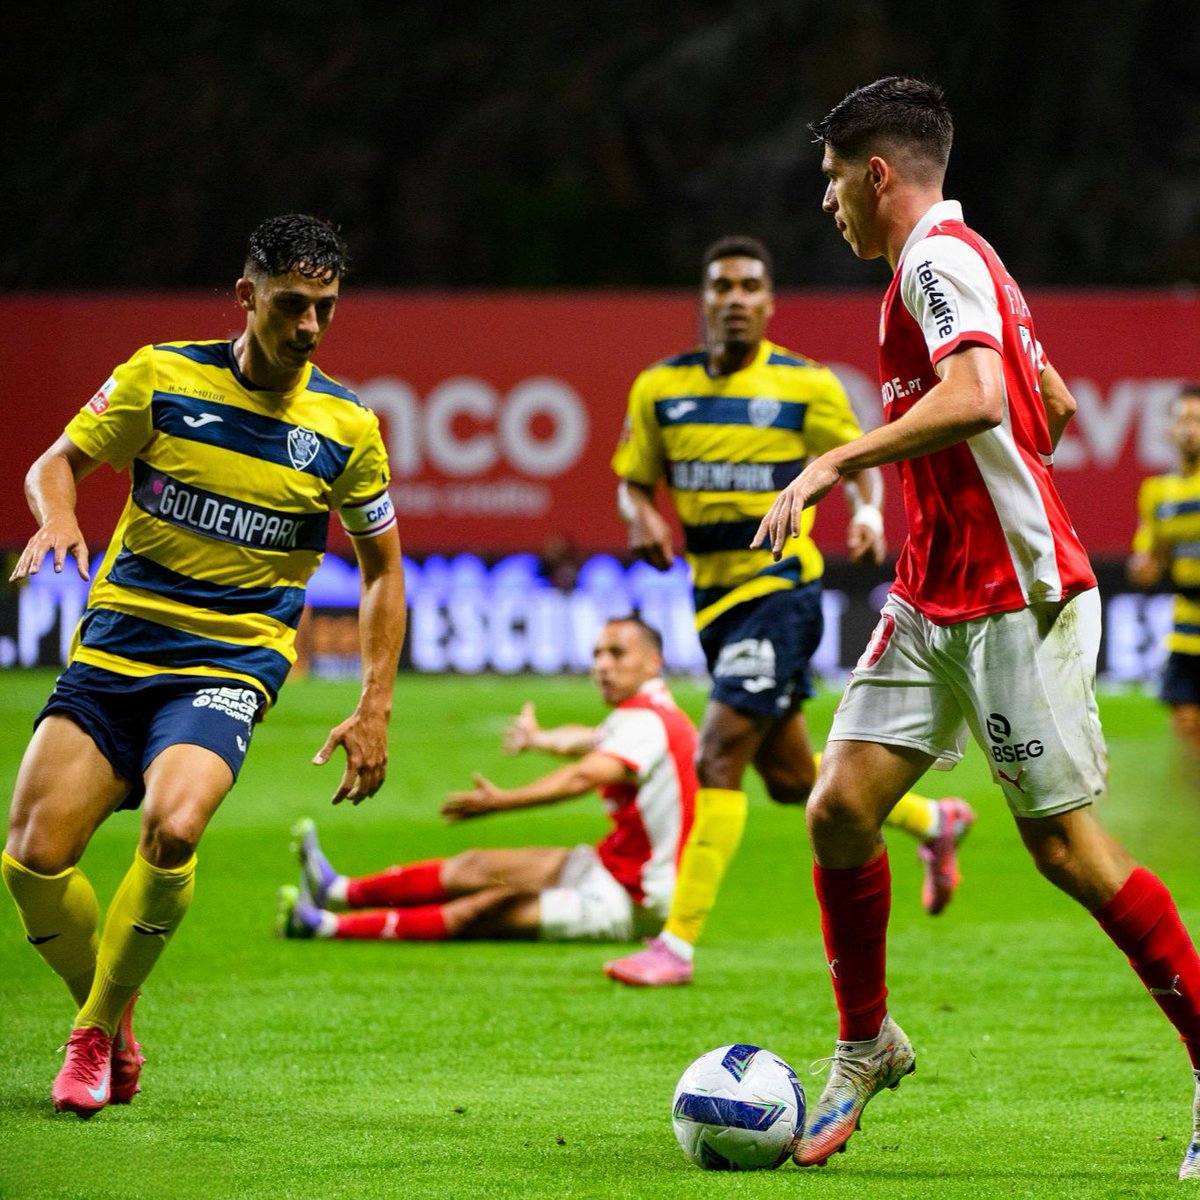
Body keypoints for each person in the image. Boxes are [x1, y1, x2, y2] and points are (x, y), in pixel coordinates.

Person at [752, 76, 1200, 1180]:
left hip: (1014, 594)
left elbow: (984, 399)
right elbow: (1051, 403)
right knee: (839, 807)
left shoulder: (937, 263)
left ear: (876, 175)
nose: (825, 205)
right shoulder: (970, 261)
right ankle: (867, 1043)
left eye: (829, 181)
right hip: (930, 587)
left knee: (1066, 851)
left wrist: (835, 459)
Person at [3, 214, 407, 1119]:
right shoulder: (160, 375)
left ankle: (94, 1032)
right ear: (247, 295)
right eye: (293, 305)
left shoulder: (346, 426)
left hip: (231, 656)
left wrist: (373, 703)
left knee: (173, 827)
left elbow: (384, 568)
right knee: (31, 860)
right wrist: (58, 515)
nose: (308, 327)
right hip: (118, 648)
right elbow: (54, 465)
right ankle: (112, 1012)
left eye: (325, 310)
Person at [603, 234, 974, 989]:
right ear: (705, 299)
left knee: (717, 758)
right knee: (789, 776)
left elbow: (863, 461)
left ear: (768, 303)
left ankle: (676, 944)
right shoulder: (659, 388)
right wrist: (640, 514)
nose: (734, 298)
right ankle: (935, 822)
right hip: (712, 599)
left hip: (780, 593)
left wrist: (869, 514)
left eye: (748, 286)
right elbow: (633, 480)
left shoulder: (806, 386)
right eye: (721, 286)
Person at [276, 615, 697, 944]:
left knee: (486, 907)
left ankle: (324, 926)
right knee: (478, 866)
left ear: (653, 661)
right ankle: (338, 890)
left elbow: (584, 775)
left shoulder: (646, 722)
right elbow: (585, 740)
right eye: (597, 654)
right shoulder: (650, 714)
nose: (602, 665)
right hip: (611, 866)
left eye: (616, 654)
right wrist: (538, 739)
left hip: (632, 899)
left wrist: (503, 801)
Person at [1127, 385, 1200, 755]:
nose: (1189, 429)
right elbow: (1151, 557)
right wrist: (1144, 565)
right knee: (1185, 722)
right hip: (1186, 625)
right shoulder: (1158, 491)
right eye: (1182, 420)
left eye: (1197, 421)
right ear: (1169, 431)